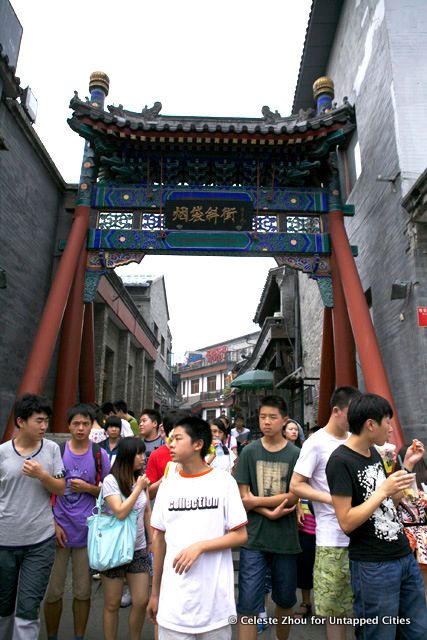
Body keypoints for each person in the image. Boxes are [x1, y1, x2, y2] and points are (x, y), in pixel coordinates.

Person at [326, 393, 427, 639]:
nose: (391, 429)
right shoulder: (339, 461)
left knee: (417, 631)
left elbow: (386, 504)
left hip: (402, 555)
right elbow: (347, 522)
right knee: (378, 633)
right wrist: (383, 490)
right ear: (370, 425)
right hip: (373, 564)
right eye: (387, 422)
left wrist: (408, 467)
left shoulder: (373, 453)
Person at [147, 416, 248, 639]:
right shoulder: (168, 485)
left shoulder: (223, 482)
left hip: (215, 607)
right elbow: (159, 541)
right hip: (174, 604)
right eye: (170, 439)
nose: (170, 443)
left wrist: (200, 547)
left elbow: (240, 535)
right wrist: (155, 593)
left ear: (198, 444)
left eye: (177, 439)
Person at [290, 385, 361, 640]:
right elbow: (296, 485)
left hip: (362, 538)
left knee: (364, 610)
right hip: (331, 538)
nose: (356, 420)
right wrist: (332, 499)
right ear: (336, 411)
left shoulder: (357, 439)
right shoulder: (316, 442)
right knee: (335, 613)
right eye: (352, 414)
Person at [234, 395, 301, 640]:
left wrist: (257, 503)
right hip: (254, 539)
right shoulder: (250, 451)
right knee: (248, 604)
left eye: (273, 417)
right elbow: (243, 496)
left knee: (284, 599)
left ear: (284, 420)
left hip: (285, 540)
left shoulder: (295, 454)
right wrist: (268, 510)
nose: (267, 422)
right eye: (263, 417)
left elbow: (294, 496)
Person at [0, 394, 65, 640]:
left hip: (39, 541)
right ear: (20, 422)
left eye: (46, 421)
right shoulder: (3, 453)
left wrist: (42, 475)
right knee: (3, 607)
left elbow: (60, 488)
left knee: (28, 608)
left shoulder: (50, 450)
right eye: (38, 420)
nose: (43, 426)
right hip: (4, 541)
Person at [44, 403, 110, 640]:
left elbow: (107, 495)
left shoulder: (99, 455)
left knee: (83, 592)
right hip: (58, 530)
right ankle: (52, 635)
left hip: (87, 532)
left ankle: (78, 636)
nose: (80, 428)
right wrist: (53, 524)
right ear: (68, 425)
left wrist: (89, 488)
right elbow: (44, 491)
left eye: (85, 423)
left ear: (91, 426)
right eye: (76, 423)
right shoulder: (56, 451)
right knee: (53, 592)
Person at [100, 437, 151, 640]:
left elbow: (147, 511)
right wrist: (137, 488)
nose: (143, 458)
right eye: (138, 453)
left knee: (140, 601)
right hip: (114, 548)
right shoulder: (110, 481)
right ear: (127, 456)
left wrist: (152, 540)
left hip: (138, 548)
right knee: (112, 604)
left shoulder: (141, 479)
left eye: (143, 453)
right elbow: (120, 512)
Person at [395, 441, 427, 595]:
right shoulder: (424, 488)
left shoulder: (397, 486)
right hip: (425, 535)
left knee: (408, 588)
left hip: (406, 537)